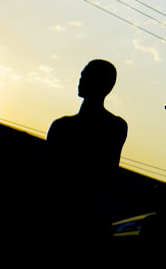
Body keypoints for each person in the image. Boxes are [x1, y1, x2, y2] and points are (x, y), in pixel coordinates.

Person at [46, 59, 128, 261]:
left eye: (86, 77)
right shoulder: (62, 125)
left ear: (104, 84)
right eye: (81, 76)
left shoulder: (113, 126)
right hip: (65, 214)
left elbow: (105, 175)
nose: (80, 81)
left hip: (82, 216)